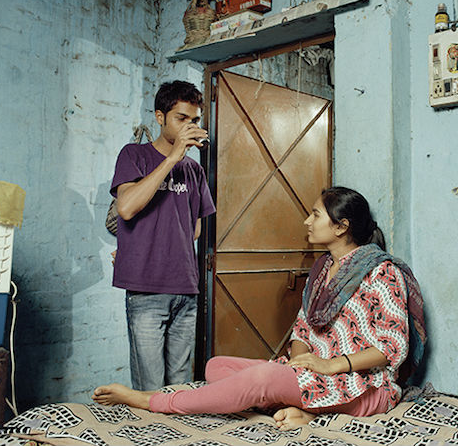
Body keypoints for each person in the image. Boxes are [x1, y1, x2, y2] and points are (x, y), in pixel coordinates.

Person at [93, 187, 425, 429]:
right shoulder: (323, 269)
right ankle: (303, 411)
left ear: (341, 227)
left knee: (262, 378)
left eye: (315, 215)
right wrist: (298, 364)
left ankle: (152, 400)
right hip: (317, 376)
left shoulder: (381, 271)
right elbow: (303, 329)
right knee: (217, 367)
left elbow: (393, 347)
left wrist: (329, 365)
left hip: (363, 385)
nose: (307, 221)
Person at [110, 80, 216, 391]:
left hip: (186, 289)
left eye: (194, 120)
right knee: (150, 388)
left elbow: (194, 229)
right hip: (146, 289)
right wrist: (172, 159)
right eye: (181, 119)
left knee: (180, 387)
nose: (189, 127)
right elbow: (126, 208)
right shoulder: (134, 155)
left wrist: (152, 241)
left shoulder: (195, 171)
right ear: (160, 117)